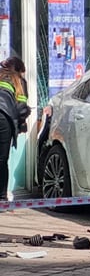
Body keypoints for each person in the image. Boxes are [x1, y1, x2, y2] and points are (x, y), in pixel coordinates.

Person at [0, 57, 30, 203]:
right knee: (1, 160)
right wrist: (22, 122)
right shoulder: (18, 81)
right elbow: (21, 108)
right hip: (3, 117)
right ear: (18, 70)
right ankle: (1, 198)